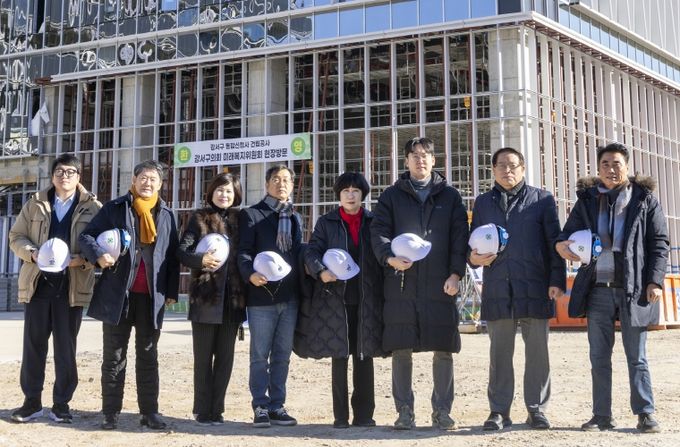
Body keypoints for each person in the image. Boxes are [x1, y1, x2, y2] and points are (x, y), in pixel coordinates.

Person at [555, 143, 669, 433]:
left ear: (627, 167)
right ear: (598, 168)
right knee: (599, 357)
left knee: (637, 357)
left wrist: (654, 281)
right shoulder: (588, 201)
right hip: (598, 289)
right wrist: (562, 246)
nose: (611, 169)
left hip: (634, 288)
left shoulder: (644, 200)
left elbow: (659, 243)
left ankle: (645, 413)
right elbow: (566, 235)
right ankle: (601, 415)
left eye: (616, 163)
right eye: (605, 164)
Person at [370, 137, 469, 430]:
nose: (420, 159)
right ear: (406, 161)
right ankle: (404, 412)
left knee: (443, 348)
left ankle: (442, 411)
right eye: (414, 155)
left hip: (441, 282)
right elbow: (379, 231)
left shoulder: (450, 196)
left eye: (425, 155)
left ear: (434, 160)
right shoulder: (391, 196)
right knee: (401, 348)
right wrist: (389, 258)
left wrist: (455, 273)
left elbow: (459, 238)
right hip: (402, 282)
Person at [468, 147, 566, 431]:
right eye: (501, 165)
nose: (507, 170)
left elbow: (554, 243)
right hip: (499, 286)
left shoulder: (542, 200)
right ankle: (499, 411)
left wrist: (556, 280)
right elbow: (473, 242)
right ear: (493, 170)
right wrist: (471, 258)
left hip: (535, 285)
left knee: (537, 353)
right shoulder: (483, 202)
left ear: (523, 168)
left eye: (512, 165)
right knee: (499, 354)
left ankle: (537, 410)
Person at [79, 160, 179, 430]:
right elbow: (86, 237)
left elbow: (172, 256)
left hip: (151, 297)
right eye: (143, 177)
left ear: (160, 184)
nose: (148, 183)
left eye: (153, 179)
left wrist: (171, 292)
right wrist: (99, 255)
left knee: (148, 356)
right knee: (114, 356)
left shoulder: (167, 215)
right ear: (133, 180)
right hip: (118, 295)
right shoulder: (115, 208)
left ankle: (150, 412)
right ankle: (110, 412)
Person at [8, 154, 102, 423]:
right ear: (52, 176)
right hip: (38, 285)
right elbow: (16, 236)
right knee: (33, 346)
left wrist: (82, 260)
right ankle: (31, 402)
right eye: (59, 171)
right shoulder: (35, 203)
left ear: (79, 176)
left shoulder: (93, 207)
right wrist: (32, 253)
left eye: (70, 171)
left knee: (65, 348)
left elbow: (101, 244)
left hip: (71, 286)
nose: (64, 176)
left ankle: (61, 404)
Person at [297, 172, 384, 429]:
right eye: (345, 190)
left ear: (363, 194)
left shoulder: (374, 221)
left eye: (355, 190)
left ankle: (364, 415)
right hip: (335, 299)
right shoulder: (327, 222)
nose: (350, 195)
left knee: (364, 357)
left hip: (367, 298)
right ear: (339, 195)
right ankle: (340, 416)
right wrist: (320, 271)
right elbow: (311, 251)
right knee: (339, 357)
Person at [177, 173, 247, 426]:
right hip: (206, 299)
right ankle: (202, 409)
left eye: (229, 191)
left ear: (236, 194)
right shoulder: (199, 218)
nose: (223, 195)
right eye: (219, 190)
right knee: (203, 358)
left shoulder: (242, 220)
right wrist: (201, 260)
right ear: (211, 192)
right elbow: (182, 252)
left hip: (233, 300)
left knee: (225, 359)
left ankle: (217, 409)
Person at [238, 164, 303, 428]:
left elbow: (297, 254)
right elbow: (243, 251)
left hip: (289, 298)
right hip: (261, 297)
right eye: (276, 179)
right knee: (259, 355)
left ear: (292, 185)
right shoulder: (251, 214)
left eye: (286, 180)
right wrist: (250, 274)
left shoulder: (294, 217)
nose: (281, 184)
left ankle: (277, 406)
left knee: (282, 356)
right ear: (267, 184)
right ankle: (260, 406)